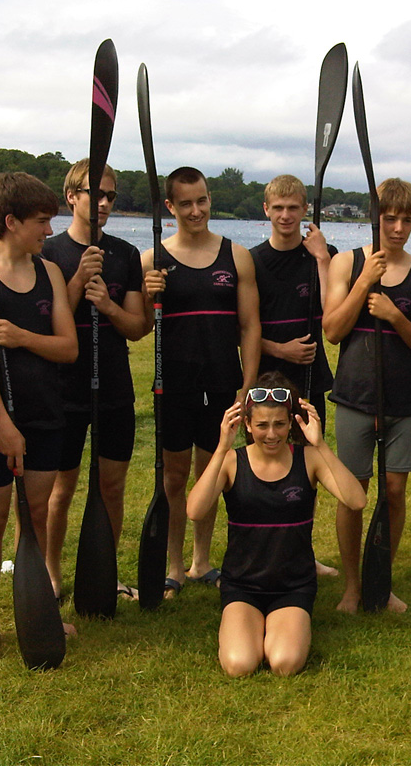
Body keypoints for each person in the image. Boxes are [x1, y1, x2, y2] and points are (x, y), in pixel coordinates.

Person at [0, 172, 78, 659]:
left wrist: (23, 337)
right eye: (42, 222)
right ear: (11, 221)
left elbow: (67, 348)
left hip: (47, 414)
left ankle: (35, 609)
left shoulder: (49, 273)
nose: (49, 231)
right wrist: (3, 424)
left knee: (36, 515)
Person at [187, 372, 366, 677]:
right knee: (238, 665)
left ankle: (280, 629)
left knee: (285, 663)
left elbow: (356, 500)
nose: (271, 434)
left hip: (292, 586)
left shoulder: (309, 458)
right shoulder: (232, 461)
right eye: (262, 425)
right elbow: (195, 510)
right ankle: (254, 627)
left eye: (280, 424)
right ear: (246, 424)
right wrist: (220, 449)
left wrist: (321, 444)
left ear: (292, 423)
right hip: (243, 586)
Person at [141, 166, 261, 597]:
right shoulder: (153, 259)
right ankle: (173, 565)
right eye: (186, 203)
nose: (196, 210)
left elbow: (249, 327)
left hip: (222, 382)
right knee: (174, 478)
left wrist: (247, 386)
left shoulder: (236, 256)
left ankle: (202, 560)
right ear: (170, 207)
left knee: (211, 471)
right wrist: (147, 290)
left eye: (203, 200)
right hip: (173, 384)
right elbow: (139, 326)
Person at [323, 178, 411, 614]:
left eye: (407, 220)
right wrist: (363, 285)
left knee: (394, 491)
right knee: (352, 492)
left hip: (402, 401)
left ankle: (381, 581)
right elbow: (333, 331)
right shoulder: (347, 264)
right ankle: (353, 586)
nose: (398, 228)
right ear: (375, 219)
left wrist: (393, 314)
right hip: (354, 395)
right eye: (390, 219)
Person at [40, 160, 146, 601]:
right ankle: (49, 572)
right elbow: (44, 321)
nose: (102, 202)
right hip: (63, 387)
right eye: (93, 193)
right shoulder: (47, 252)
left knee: (111, 485)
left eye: (110, 196)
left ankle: (105, 569)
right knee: (60, 487)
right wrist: (79, 280)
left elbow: (139, 326)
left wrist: (109, 307)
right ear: (71, 197)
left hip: (115, 386)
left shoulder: (125, 254)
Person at [250, 173, 338, 577]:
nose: (286, 215)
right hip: (266, 378)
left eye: (294, 208)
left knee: (306, 466)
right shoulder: (251, 260)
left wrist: (322, 258)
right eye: (278, 208)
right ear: (266, 210)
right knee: (263, 464)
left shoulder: (322, 255)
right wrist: (279, 349)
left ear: (305, 211)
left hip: (308, 378)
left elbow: (333, 310)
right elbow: (243, 327)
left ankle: (302, 552)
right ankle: (263, 548)